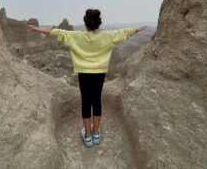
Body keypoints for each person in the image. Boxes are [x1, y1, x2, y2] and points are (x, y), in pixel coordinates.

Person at [28, 9, 147, 148]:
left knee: (86, 102)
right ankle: (96, 134)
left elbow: (58, 33)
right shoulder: (107, 36)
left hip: (84, 74)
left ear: (85, 23)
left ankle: (88, 136)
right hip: (99, 73)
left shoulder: (76, 36)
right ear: (98, 23)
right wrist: (137, 29)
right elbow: (123, 33)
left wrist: (39, 30)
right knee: (96, 101)